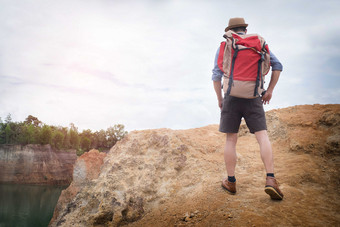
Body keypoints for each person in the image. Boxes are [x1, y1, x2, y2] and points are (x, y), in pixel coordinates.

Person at [212, 17, 284, 200]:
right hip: (253, 97)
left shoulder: (226, 45)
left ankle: (231, 181)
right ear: (244, 28)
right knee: (262, 137)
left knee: (231, 140)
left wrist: (221, 99)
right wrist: (269, 91)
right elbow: (278, 66)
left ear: (230, 30)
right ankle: (270, 179)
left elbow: (216, 76)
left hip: (231, 97)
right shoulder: (258, 44)